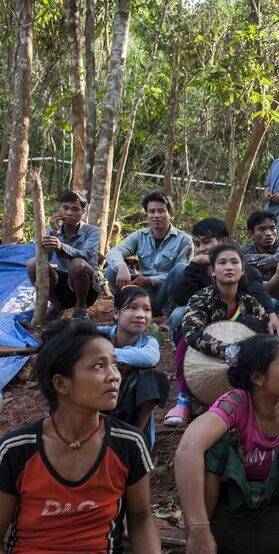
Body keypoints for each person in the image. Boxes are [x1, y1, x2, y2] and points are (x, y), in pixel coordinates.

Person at [0, 320, 160, 554]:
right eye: (98, 366)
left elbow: (141, 518)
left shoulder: (129, 444)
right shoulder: (17, 450)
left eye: (114, 364)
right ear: (61, 383)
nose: (114, 376)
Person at [174, 335, 279, 554]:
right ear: (258, 377)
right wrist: (197, 527)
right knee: (213, 449)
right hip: (233, 502)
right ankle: (199, 541)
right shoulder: (236, 403)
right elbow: (187, 449)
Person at [165, 243, 269, 427]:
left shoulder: (250, 302)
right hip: (205, 360)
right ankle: (184, 400)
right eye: (222, 263)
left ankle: (253, 397)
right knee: (183, 337)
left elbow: (265, 334)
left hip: (239, 366)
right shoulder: (201, 298)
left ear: (243, 270)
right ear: (213, 271)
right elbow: (192, 333)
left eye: (234, 262)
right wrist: (229, 350)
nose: (229, 267)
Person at [168, 218, 279, 341]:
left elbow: (257, 292)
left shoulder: (245, 270)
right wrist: (195, 264)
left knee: (272, 304)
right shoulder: (197, 269)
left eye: (206, 242)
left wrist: (271, 315)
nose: (201, 249)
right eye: (198, 244)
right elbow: (180, 299)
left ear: (223, 241)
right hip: (206, 320)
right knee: (178, 314)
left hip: (239, 318)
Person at [98, 286, 169, 450]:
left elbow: (150, 358)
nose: (141, 315)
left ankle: (135, 441)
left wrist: (102, 354)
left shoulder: (149, 342)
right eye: (132, 307)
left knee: (151, 377)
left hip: (130, 412)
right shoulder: (99, 334)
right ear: (116, 313)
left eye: (147, 309)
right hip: (98, 405)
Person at [105, 191, 194, 316]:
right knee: (111, 270)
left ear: (171, 214)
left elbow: (183, 273)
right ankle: (129, 305)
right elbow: (114, 252)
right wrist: (122, 267)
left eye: (161, 211)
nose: (156, 215)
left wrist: (150, 280)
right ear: (147, 215)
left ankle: (167, 315)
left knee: (181, 269)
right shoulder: (140, 236)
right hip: (141, 292)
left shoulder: (183, 240)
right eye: (152, 212)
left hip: (165, 295)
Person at [26, 190, 100, 321]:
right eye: (65, 208)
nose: (69, 213)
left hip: (87, 287)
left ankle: (80, 308)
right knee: (33, 264)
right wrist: (54, 232)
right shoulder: (53, 230)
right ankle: (57, 306)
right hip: (62, 283)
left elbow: (87, 255)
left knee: (77, 264)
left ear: (83, 213)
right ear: (59, 209)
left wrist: (62, 247)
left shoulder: (92, 231)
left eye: (75, 209)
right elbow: (45, 259)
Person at [242, 211, 279, 281]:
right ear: (251, 234)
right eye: (262, 229)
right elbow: (237, 259)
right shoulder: (247, 248)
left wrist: (249, 266)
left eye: (272, 228)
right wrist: (261, 256)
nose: (269, 233)